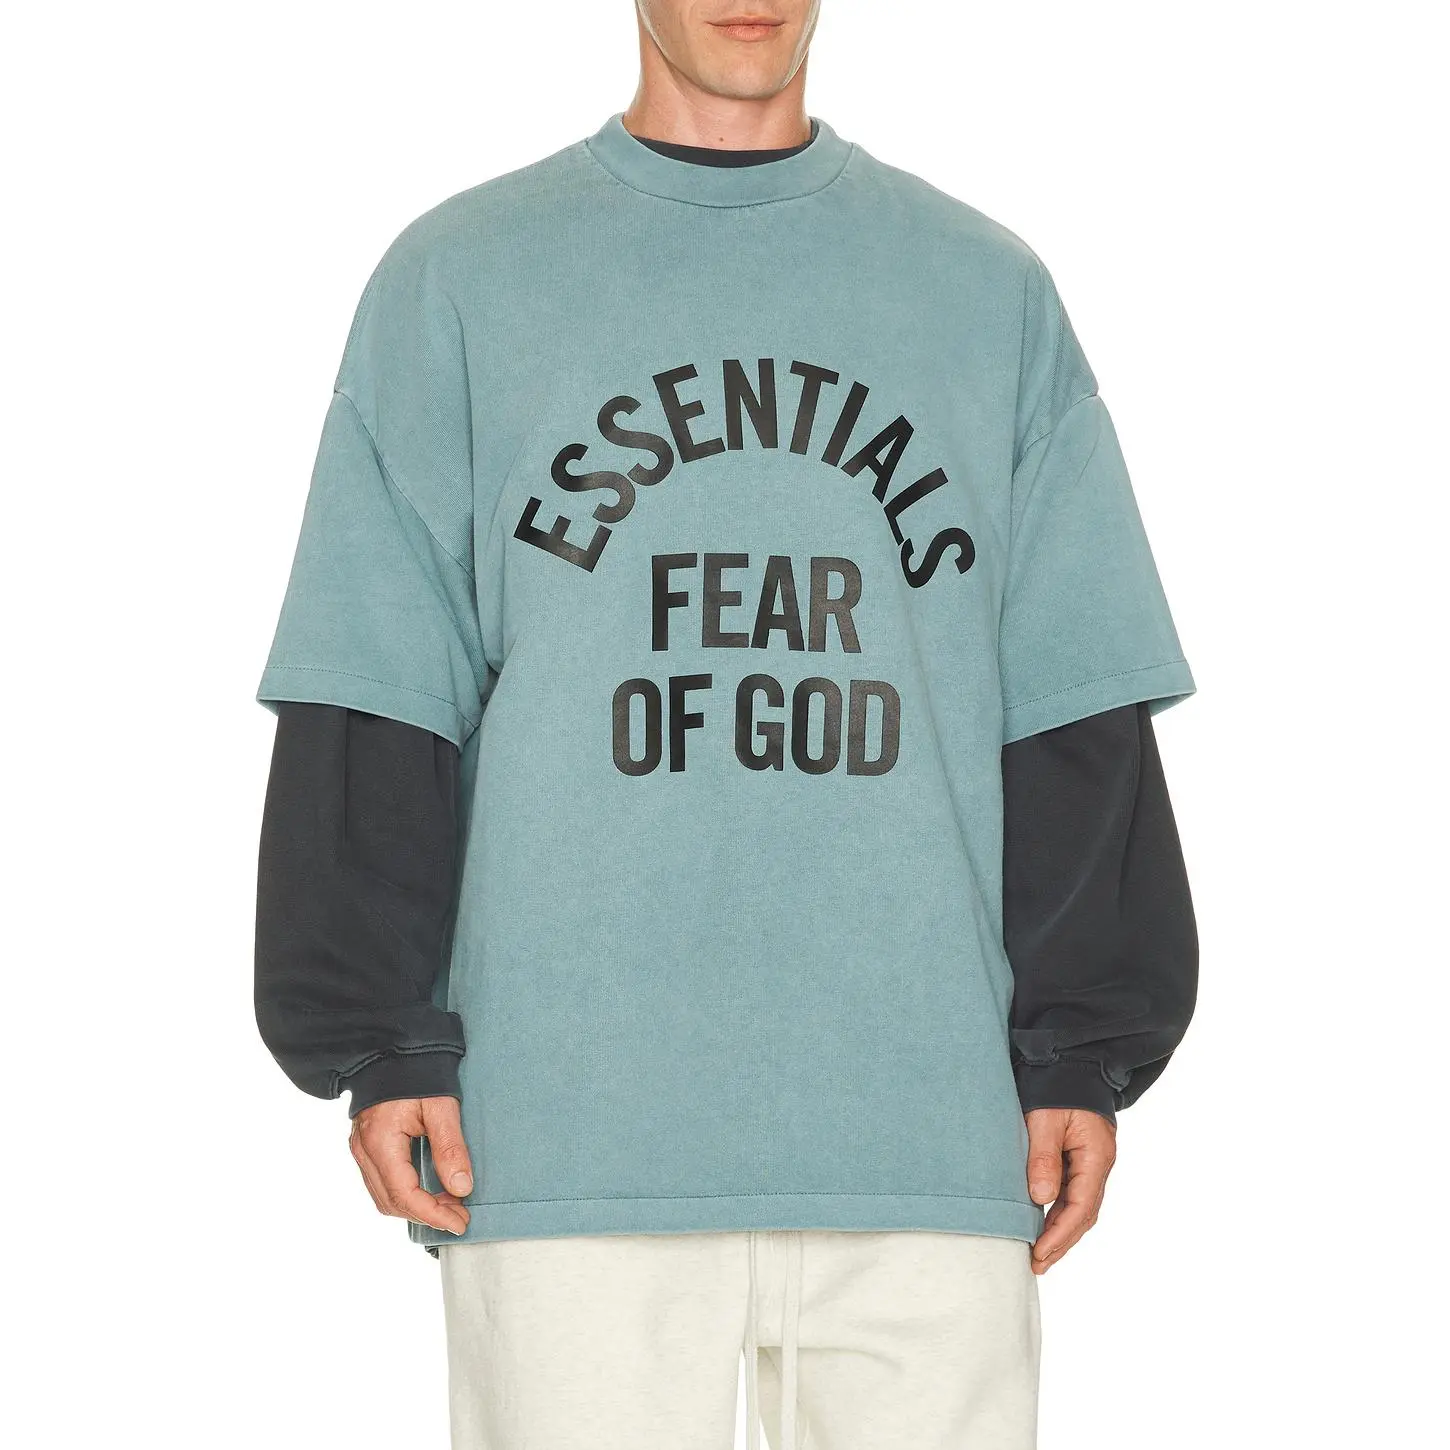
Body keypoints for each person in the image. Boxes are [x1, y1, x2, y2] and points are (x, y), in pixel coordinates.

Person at [253, 4, 1199, 1446]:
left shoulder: (981, 289)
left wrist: (1080, 1044)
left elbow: (1069, 695)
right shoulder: (460, 279)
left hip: (924, 1126)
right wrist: (381, 1037)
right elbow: (376, 676)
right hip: (562, 1130)